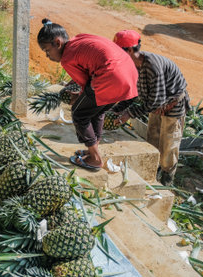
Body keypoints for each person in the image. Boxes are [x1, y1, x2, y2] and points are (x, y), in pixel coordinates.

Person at [37, 18, 138, 171]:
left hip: (111, 76)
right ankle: (93, 151)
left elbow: (85, 84)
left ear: (57, 43)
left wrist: (78, 98)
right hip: (128, 74)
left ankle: (95, 159)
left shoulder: (67, 58)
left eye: (47, 51)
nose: (47, 56)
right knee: (96, 112)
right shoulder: (79, 39)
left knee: (79, 113)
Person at [113, 29, 191, 186]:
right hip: (155, 103)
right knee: (153, 138)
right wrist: (116, 109)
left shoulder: (152, 66)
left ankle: (167, 176)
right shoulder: (133, 64)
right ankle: (153, 170)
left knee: (169, 143)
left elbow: (156, 101)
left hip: (172, 102)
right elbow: (134, 91)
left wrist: (128, 113)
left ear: (129, 50)